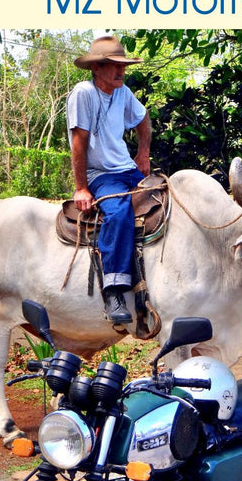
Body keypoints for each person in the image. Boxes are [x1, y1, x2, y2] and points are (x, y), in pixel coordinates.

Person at [66, 35, 152, 324]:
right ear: (97, 68)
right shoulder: (84, 93)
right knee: (118, 212)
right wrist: (81, 188)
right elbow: (79, 142)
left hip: (128, 169)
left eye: (123, 66)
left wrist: (143, 154)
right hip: (100, 174)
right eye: (114, 66)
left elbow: (143, 119)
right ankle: (113, 290)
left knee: (166, 200)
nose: (121, 71)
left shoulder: (123, 92)